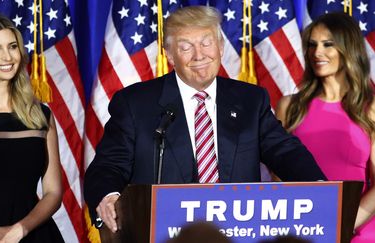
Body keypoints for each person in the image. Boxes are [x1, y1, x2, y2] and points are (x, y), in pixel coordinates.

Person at [84, 6, 326, 233]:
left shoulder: (250, 100)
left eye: (206, 43)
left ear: (220, 47)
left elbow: (284, 150)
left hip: (236, 232)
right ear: (169, 54)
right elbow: (108, 166)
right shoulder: (135, 103)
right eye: (186, 46)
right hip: (164, 233)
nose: (199, 55)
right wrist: (108, 196)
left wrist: (318, 187)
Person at [275, 12, 375, 243]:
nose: (317, 52)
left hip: (358, 230)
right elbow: (279, 181)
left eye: (328, 44)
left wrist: (339, 226)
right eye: (312, 45)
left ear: (348, 49)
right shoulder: (289, 106)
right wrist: (311, 227)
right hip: (302, 231)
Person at [0, 15, 64, 242]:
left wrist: (20, 230)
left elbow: (53, 192)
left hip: (34, 234)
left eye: (12, 46)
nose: (7, 56)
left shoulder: (40, 114)